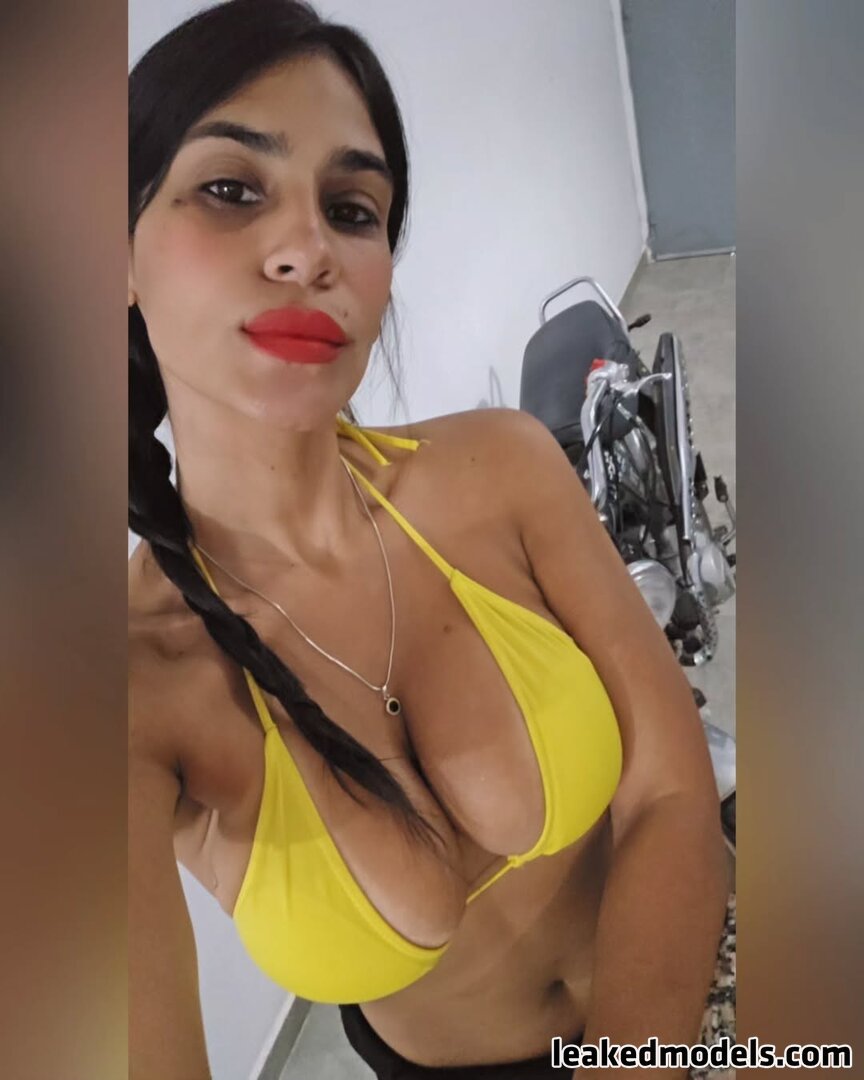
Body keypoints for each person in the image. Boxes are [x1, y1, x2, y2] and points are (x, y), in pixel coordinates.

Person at [128, 2, 732, 1077]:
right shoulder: (128, 690)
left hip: (706, 982)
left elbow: (673, 792)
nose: (308, 249)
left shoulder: (501, 468)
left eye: (351, 209)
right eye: (231, 189)